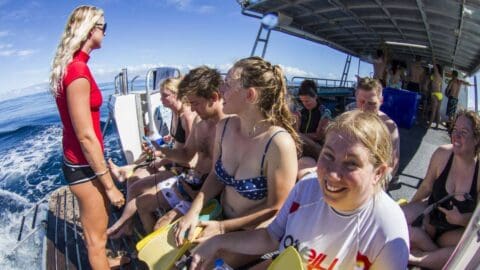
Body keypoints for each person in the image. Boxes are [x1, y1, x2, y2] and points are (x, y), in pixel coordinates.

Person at [189, 111, 409, 270]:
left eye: (351, 164)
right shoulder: (306, 189)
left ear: (378, 173)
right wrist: (217, 241)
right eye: (328, 156)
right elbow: (270, 237)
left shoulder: (388, 230)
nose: (332, 174)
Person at [174, 56, 300, 267]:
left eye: (228, 83)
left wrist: (223, 229)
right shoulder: (224, 127)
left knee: (199, 264)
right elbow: (216, 175)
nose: (221, 88)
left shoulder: (278, 143)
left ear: (250, 95)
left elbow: (276, 207)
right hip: (219, 217)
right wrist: (194, 211)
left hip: (256, 234)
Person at [49, 6, 126, 269]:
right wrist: (110, 185)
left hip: (79, 162)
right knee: (96, 240)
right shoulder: (79, 71)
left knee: (97, 231)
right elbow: (85, 136)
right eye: (104, 27)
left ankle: (104, 261)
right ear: (91, 30)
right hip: (84, 165)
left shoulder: (72, 66)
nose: (105, 32)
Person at [106, 66, 225, 236]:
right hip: (189, 183)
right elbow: (186, 154)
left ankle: (155, 249)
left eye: (195, 103)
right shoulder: (201, 122)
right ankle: (143, 246)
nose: (192, 109)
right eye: (190, 103)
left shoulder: (227, 127)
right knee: (141, 204)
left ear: (213, 98)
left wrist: (164, 160)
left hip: (205, 194)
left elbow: (212, 172)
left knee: (159, 227)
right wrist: (161, 150)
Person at [403, 110, 480, 269]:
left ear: (477, 139)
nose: (456, 136)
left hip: (453, 233)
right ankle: (436, 257)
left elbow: (477, 220)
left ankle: (417, 259)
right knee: (400, 217)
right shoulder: (443, 153)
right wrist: (410, 209)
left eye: (464, 132)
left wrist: (461, 219)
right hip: (431, 217)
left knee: (476, 248)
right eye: (455, 130)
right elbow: (426, 187)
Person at [108, 77, 198, 182]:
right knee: (145, 154)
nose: (161, 99)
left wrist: (161, 160)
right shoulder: (175, 112)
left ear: (177, 95)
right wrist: (168, 140)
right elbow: (180, 140)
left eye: (165, 95)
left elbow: (189, 155)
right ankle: (125, 171)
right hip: (174, 158)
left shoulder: (188, 117)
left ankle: (126, 172)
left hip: (184, 168)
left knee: (134, 180)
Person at [352, 77, 400, 182]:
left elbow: (393, 163)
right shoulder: (349, 119)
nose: (364, 108)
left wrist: (379, 183)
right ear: (356, 97)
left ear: (381, 101)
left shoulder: (389, 127)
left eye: (371, 104)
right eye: (361, 101)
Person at [295, 79, 331, 159]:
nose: (305, 104)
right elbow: (297, 130)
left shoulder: (324, 113)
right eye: (302, 101)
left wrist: (299, 136)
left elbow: (319, 136)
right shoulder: (300, 111)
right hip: (302, 144)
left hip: (317, 148)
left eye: (307, 101)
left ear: (315, 96)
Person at [428, 63, 443, 129]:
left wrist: (433, 54)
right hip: (439, 94)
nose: (434, 67)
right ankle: (436, 126)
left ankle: (428, 126)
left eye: (435, 67)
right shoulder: (440, 76)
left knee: (433, 111)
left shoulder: (436, 74)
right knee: (438, 111)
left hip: (435, 94)